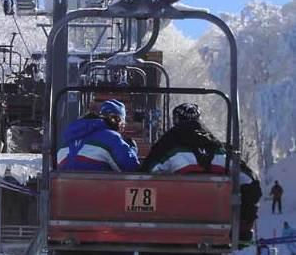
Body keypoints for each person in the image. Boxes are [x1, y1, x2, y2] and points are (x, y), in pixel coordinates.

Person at [140, 103, 262, 242]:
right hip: (216, 226)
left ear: (175, 120)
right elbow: (251, 182)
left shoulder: (167, 147)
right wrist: (244, 221)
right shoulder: (221, 151)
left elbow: (145, 176)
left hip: (172, 224)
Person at [57, 99, 139, 172]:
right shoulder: (112, 138)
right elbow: (130, 167)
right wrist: (133, 149)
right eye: (123, 125)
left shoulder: (71, 137)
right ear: (119, 122)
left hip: (65, 183)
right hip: (95, 186)